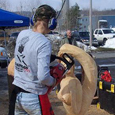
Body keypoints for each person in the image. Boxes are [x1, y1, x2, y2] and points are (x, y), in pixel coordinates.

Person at [8, 5, 57, 115]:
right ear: (52, 22)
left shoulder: (22, 34)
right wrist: (53, 81)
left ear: (34, 18)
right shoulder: (44, 43)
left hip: (17, 94)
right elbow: (43, 77)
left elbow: (26, 56)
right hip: (34, 96)